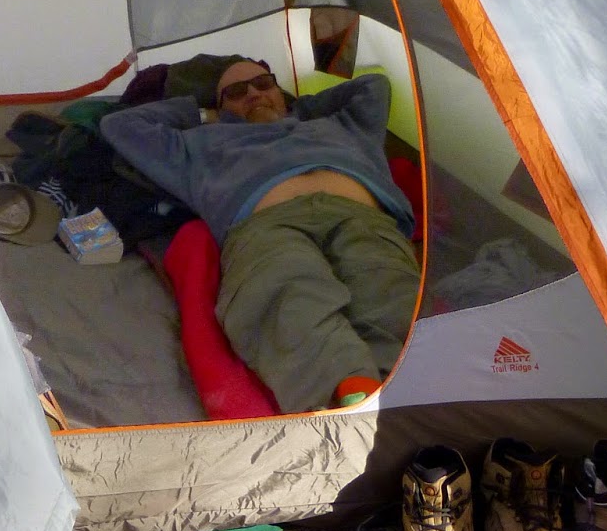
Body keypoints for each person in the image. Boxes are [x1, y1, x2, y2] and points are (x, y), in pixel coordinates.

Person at [100, 59, 420, 413]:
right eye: (236, 92)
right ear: (220, 105)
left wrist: (297, 106)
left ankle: (408, 397)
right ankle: (348, 395)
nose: (253, 93)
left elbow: (373, 85)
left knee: (389, 292)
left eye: (263, 83)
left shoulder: (340, 124)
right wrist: (204, 115)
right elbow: (121, 125)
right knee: (286, 292)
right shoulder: (199, 143)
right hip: (266, 226)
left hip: (362, 218)